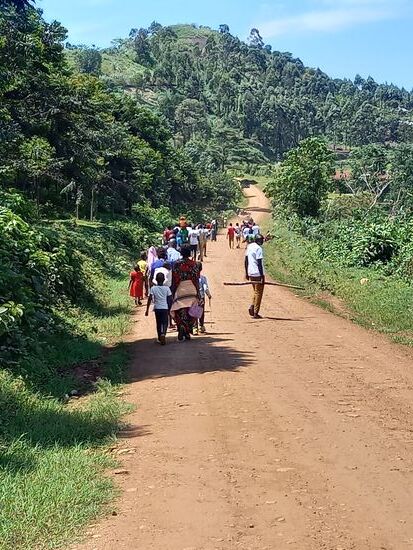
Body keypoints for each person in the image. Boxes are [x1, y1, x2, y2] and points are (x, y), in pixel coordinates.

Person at [171, 245, 200, 341]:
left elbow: (174, 280)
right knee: (192, 311)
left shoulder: (176, 264)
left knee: (179, 310)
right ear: (190, 253)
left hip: (180, 289)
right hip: (192, 289)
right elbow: (196, 279)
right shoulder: (194, 264)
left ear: (181, 253)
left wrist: (173, 292)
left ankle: (181, 327)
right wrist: (198, 292)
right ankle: (188, 331)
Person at [145, 272, 171, 345]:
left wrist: (147, 310)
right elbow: (170, 299)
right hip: (165, 308)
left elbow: (149, 299)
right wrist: (170, 308)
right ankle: (163, 334)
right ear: (164, 280)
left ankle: (159, 338)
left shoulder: (153, 288)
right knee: (165, 322)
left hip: (157, 308)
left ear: (156, 279)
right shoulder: (167, 288)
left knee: (158, 323)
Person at [245, 234, 265, 319]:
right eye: (261, 240)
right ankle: (255, 312)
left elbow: (246, 260)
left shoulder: (249, 246)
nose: (262, 242)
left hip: (251, 272)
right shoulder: (258, 248)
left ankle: (252, 306)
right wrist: (262, 275)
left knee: (255, 291)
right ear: (259, 241)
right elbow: (259, 263)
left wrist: (246, 273)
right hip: (257, 273)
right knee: (259, 293)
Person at [196, 262, 212, 334]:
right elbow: (205, 288)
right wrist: (209, 295)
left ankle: (194, 327)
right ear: (201, 269)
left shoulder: (192, 278)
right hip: (201, 297)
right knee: (201, 312)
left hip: (194, 297)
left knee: (194, 311)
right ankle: (201, 326)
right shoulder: (203, 278)